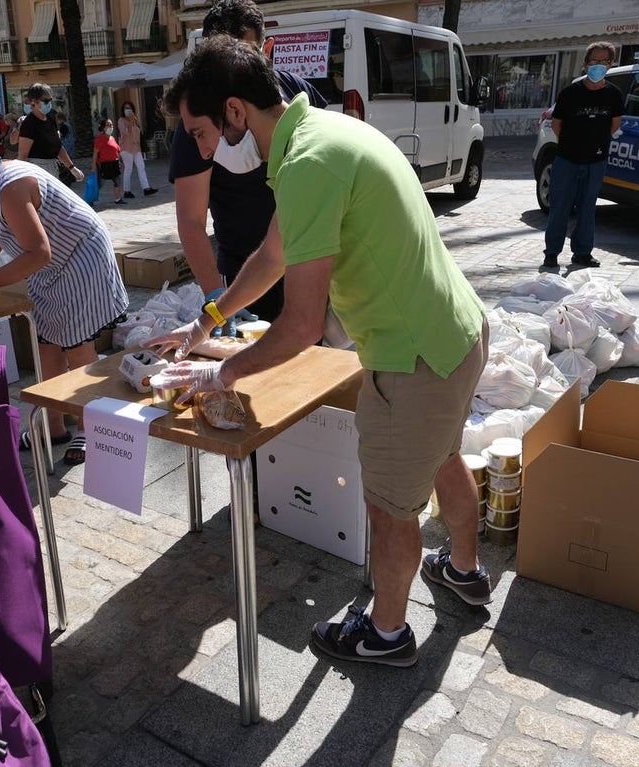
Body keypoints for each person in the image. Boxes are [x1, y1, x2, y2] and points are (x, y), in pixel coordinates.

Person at [151, 36, 490, 668]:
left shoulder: (307, 161)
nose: (201, 151)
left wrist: (222, 372)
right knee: (445, 456)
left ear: (232, 112)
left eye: (200, 133)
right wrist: (209, 320)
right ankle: (464, 570)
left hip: (411, 358)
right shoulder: (319, 135)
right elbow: (274, 256)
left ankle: (387, 634)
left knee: (390, 507)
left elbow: (304, 323)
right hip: (457, 333)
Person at [0, 157, 128, 465]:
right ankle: (52, 424)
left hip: (79, 256)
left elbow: (38, 252)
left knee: (78, 346)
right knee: (47, 346)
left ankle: (91, 428)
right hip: (47, 268)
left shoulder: (10, 187)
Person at [170, 0, 327, 324]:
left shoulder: (303, 106)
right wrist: (216, 298)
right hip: (249, 272)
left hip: (306, 260)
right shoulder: (202, 117)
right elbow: (191, 219)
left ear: (266, 49)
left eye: (242, 54)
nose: (232, 75)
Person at [541, 41, 624, 270]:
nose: (598, 66)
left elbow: (615, 124)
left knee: (588, 209)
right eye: (594, 62)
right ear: (586, 64)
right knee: (560, 208)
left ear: (610, 64)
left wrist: (594, 143)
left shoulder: (614, 95)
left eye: (604, 62)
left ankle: (582, 253)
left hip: (596, 161)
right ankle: (551, 253)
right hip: (567, 159)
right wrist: (573, 144)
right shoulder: (570, 93)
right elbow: (557, 124)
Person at [17, 83, 84, 184]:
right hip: (37, 171)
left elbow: (58, 147)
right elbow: (22, 155)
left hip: (52, 168)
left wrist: (72, 168)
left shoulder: (50, 118)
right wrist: (22, 180)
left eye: (50, 100)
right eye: (46, 100)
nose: (49, 103)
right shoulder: (29, 123)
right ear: (33, 102)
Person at [117, 100, 157, 198]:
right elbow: (127, 133)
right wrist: (130, 122)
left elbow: (138, 133)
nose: (128, 110)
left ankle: (146, 188)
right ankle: (127, 191)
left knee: (141, 167)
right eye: (126, 108)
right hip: (126, 148)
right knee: (128, 169)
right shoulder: (121, 121)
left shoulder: (135, 120)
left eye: (129, 108)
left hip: (136, 148)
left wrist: (133, 121)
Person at [92, 118, 126, 206]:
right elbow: (95, 153)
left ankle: (117, 199)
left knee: (117, 182)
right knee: (100, 184)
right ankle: (90, 199)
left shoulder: (112, 138)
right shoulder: (99, 139)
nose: (110, 127)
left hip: (114, 164)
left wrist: (120, 162)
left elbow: (116, 151)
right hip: (104, 165)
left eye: (111, 125)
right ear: (103, 128)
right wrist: (93, 166)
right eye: (108, 125)